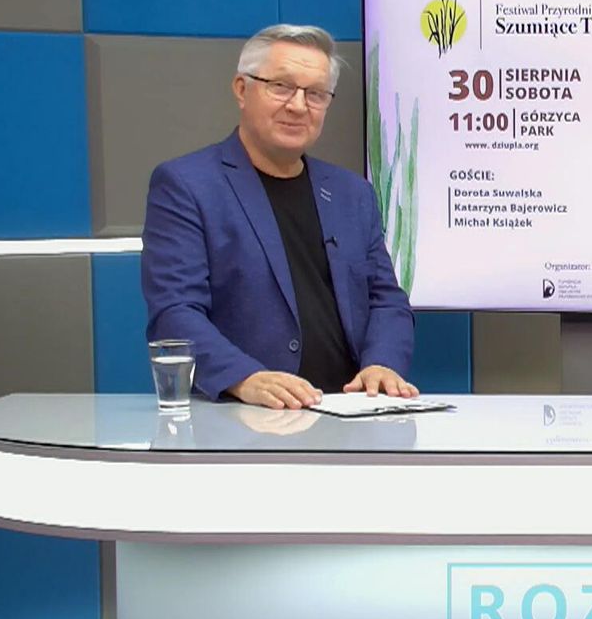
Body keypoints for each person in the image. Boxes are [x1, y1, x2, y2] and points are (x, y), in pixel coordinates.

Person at [142, 24, 417, 410]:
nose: (299, 106)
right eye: (281, 87)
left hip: (350, 413)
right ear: (242, 89)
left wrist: (382, 364)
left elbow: (386, 300)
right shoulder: (187, 185)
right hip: (245, 418)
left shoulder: (352, 194)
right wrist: (244, 378)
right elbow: (175, 311)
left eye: (315, 94)